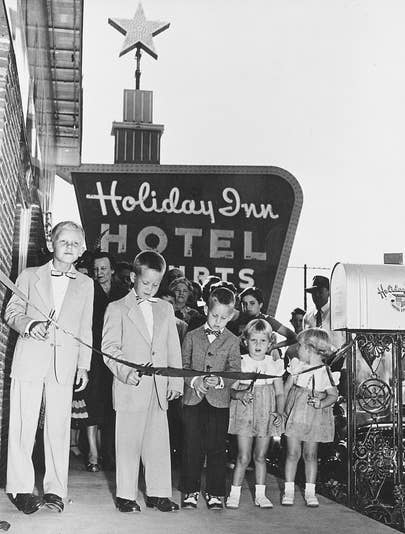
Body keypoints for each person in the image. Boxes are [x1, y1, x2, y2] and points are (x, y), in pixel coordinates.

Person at [4, 221, 93, 514]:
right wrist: (30, 326)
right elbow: (12, 312)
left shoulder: (86, 284)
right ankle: (20, 489)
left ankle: (56, 490)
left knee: (58, 429)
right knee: (22, 426)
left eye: (74, 243)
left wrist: (84, 365)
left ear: (82, 250)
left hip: (64, 364)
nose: (68, 247)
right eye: (63, 241)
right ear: (50, 244)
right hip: (29, 359)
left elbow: (84, 327)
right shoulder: (30, 276)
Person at [102, 250, 183, 513]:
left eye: (155, 284)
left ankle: (158, 493)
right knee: (127, 443)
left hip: (159, 387)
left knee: (158, 442)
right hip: (130, 386)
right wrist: (126, 372)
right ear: (133, 277)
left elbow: (173, 348)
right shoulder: (116, 308)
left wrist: (176, 382)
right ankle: (126, 495)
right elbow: (110, 348)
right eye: (145, 283)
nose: (150, 289)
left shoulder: (166, 309)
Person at [181, 287, 241, 510]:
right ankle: (190, 490)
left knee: (217, 448)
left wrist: (222, 381)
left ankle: (216, 493)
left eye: (224, 318)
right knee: (191, 446)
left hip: (219, 402)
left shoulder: (233, 341)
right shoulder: (191, 336)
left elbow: (235, 369)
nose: (218, 322)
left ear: (232, 316)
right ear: (206, 309)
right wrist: (196, 381)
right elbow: (183, 367)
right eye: (215, 316)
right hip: (193, 401)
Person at [226, 319, 285, 509]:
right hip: (244, 414)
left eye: (263, 341)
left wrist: (279, 411)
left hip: (265, 414)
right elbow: (231, 390)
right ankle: (234, 494)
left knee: (260, 456)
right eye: (254, 340)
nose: (258, 345)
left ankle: (261, 495)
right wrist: (240, 394)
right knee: (243, 456)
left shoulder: (273, 364)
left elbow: (279, 392)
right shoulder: (241, 363)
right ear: (246, 341)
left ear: (270, 343)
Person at [282, 328, 339, 507]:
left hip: (313, 418)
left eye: (299, 345)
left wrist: (321, 404)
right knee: (292, 453)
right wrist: (281, 410)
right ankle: (289, 490)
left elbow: (333, 395)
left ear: (309, 348)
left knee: (311, 454)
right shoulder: (297, 366)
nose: (296, 349)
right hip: (295, 416)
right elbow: (285, 389)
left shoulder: (324, 372)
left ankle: (310, 491)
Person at [85, 251, 128, 472]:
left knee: (112, 406)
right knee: (92, 404)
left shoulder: (123, 293)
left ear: (112, 269)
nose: (99, 273)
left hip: (114, 357)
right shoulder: (87, 290)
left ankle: (110, 454)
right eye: (96, 269)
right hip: (92, 356)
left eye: (103, 268)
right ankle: (93, 453)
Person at [235, 286, 297, 352]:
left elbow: (295, 337)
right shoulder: (235, 319)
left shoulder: (267, 320)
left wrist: (274, 346)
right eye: (244, 304)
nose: (248, 307)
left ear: (260, 305)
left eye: (252, 303)